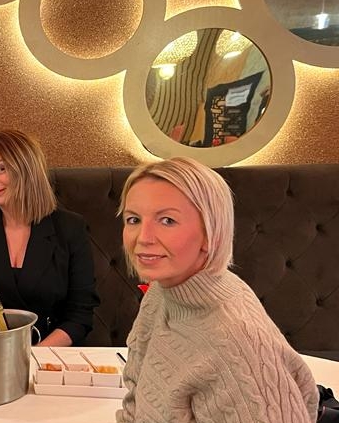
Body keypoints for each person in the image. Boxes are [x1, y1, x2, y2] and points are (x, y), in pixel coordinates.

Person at [115, 157, 318, 423]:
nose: (143, 237)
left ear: (211, 232)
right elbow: (136, 399)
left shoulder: (235, 338)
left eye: (167, 221)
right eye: (133, 220)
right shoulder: (162, 292)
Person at [0, 130, 98, 346]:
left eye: (1, 169)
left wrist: (33, 355)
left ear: (27, 170)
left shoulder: (70, 228)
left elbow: (80, 315)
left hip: (51, 352)